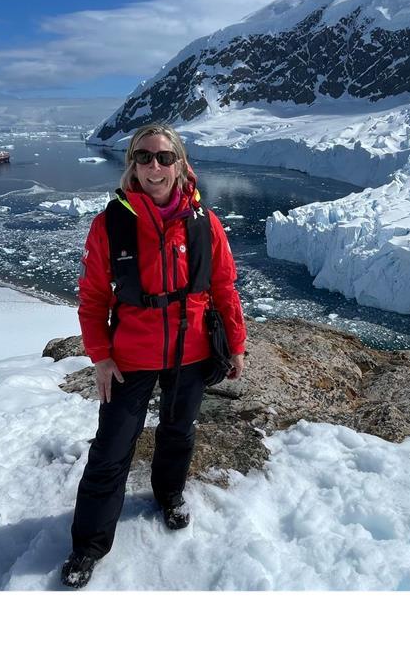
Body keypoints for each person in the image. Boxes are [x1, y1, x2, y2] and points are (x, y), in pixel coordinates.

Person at [61, 122, 247, 589]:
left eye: (165, 157)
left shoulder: (204, 223)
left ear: (182, 165)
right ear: (132, 166)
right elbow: (93, 298)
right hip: (130, 358)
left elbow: (224, 287)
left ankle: (169, 494)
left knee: (178, 432)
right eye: (144, 157)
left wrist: (237, 343)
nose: (155, 166)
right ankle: (89, 544)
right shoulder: (112, 224)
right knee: (111, 450)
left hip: (192, 350)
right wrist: (100, 356)